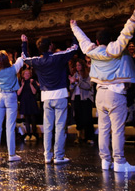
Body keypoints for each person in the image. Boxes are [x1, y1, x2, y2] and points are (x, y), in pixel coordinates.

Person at [70, 11, 135, 172]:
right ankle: (119, 162)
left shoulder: (93, 51)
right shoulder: (115, 49)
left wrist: (74, 27)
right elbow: (125, 34)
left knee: (104, 128)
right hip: (115, 94)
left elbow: (83, 40)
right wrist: (133, 19)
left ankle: (105, 161)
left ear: (97, 41)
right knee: (117, 129)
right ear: (110, 40)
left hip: (100, 95)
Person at [23, 36, 78, 164]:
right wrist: (74, 33)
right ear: (50, 46)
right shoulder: (58, 57)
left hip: (47, 97)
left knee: (47, 127)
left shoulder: (38, 61)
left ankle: (48, 156)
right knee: (60, 127)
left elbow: (24, 57)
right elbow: (74, 48)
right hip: (60, 96)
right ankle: (59, 156)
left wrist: (24, 43)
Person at [0, 36, 25, 162]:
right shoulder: (14, 69)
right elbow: (22, 57)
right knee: (10, 126)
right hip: (11, 97)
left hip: (0, 97)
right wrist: (24, 43)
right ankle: (11, 155)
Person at [69, 59, 94, 145]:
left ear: (83, 66)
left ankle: (89, 137)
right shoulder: (75, 74)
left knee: (87, 118)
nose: (77, 67)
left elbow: (88, 86)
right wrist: (72, 83)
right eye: (76, 65)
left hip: (86, 98)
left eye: (79, 65)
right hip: (76, 97)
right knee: (78, 117)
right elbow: (71, 88)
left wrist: (78, 81)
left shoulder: (88, 75)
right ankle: (80, 136)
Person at [17, 68, 39, 142]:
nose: (27, 75)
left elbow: (34, 92)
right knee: (26, 118)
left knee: (33, 118)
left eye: (28, 73)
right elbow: (18, 93)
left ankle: (34, 134)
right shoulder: (21, 82)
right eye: (25, 73)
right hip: (24, 101)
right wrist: (22, 86)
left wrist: (30, 84)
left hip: (31, 101)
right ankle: (28, 134)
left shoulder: (33, 82)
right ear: (23, 75)